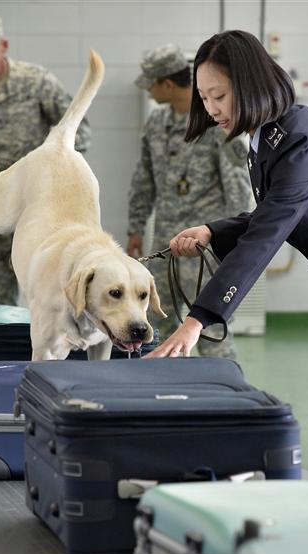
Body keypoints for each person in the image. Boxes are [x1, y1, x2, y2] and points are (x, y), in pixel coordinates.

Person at [146, 30, 308, 499]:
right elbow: (271, 214)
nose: (211, 108)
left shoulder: (301, 144)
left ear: (248, 84)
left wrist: (198, 320)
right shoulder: (271, 137)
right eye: (204, 98)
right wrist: (213, 231)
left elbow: (266, 237)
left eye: (218, 95)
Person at [0, 13, 91, 305]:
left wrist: (55, 160)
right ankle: (1, 352)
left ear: (4, 45)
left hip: (40, 208)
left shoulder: (37, 83)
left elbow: (80, 133)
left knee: (50, 293)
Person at [127, 44, 252, 358]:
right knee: (155, 326)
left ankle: (228, 398)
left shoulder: (216, 123)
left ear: (167, 84)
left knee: (211, 331)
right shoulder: (157, 124)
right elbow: (144, 178)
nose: (150, 91)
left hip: (205, 247)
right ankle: (160, 395)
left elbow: (237, 187)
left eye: (152, 84)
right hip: (166, 245)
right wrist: (136, 227)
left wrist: (234, 241)